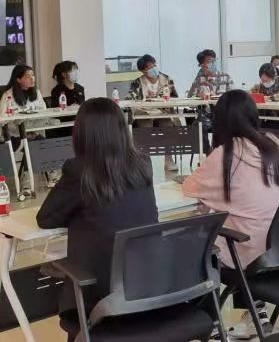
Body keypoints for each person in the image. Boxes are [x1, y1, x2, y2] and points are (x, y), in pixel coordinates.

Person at [37, 98, 158, 327]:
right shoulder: (142, 163)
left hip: (99, 297)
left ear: (82, 133)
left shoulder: (79, 169)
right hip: (149, 288)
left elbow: (45, 218)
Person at [182, 90, 279, 338]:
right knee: (241, 222)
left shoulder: (226, 154)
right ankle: (256, 312)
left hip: (247, 253)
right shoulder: (273, 144)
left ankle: (209, 324)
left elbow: (189, 189)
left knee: (199, 245)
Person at [129, 54, 179, 171]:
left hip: (163, 112)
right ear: (143, 71)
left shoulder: (167, 79)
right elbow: (130, 99)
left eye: (154, 65)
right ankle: (145, 160)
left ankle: (169, 159)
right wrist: (145, 99)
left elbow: (175, 97)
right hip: (145, 113)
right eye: (150, 67)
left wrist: (161, 98)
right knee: (145, 126)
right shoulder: (137, 82)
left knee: (167, 125)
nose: (154, 69)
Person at [0, 65, 48, 145]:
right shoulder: (8, 95)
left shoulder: (37, 92)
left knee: (46, 146)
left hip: (34, 133)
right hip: (14, 135)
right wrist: (22, 132)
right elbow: (2, 118)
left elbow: (43, 111)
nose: (32, 78)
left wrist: (34, 132)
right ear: (18, 80)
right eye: (28, 76)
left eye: (33, 75)